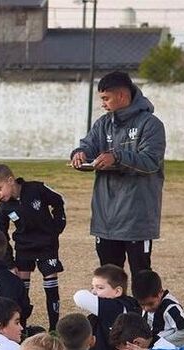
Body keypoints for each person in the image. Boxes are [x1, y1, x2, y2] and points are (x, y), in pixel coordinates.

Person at [69, 71, 165, 277]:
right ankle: (113, 310)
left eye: (106, 98)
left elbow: (150, 162)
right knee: (109, 278)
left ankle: (143, 311)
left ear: (122, 96)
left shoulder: (150, 124)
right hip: (106, 218)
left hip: (136, 219)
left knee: (142, 277)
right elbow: (88, 145)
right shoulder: (103, 124)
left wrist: (118, 157)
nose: (102, 104)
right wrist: (80, 154)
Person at [0, 164, 66, 331]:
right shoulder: (4, 207)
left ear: (10, 180)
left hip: (47, 247)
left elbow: (58, 201)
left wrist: (57, 227)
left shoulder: (37, 188)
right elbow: (0, 235)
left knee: (51, 288)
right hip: (24, 249)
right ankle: (21, 329)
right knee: (21, 292)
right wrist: (9, 263)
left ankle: (54, 329)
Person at [73, 264, 140, 350]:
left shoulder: (115, 307)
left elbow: (79, 297)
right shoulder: (127, 303)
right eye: (92, 287)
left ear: (117, 292)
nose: (94, 292)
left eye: (100, 288)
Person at [132, 270, 184, 347]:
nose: (146, 308)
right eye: (142, 305)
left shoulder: (170, 307)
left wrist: (162, 343)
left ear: (160, 293)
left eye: (150, 304)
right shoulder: (145, 305)